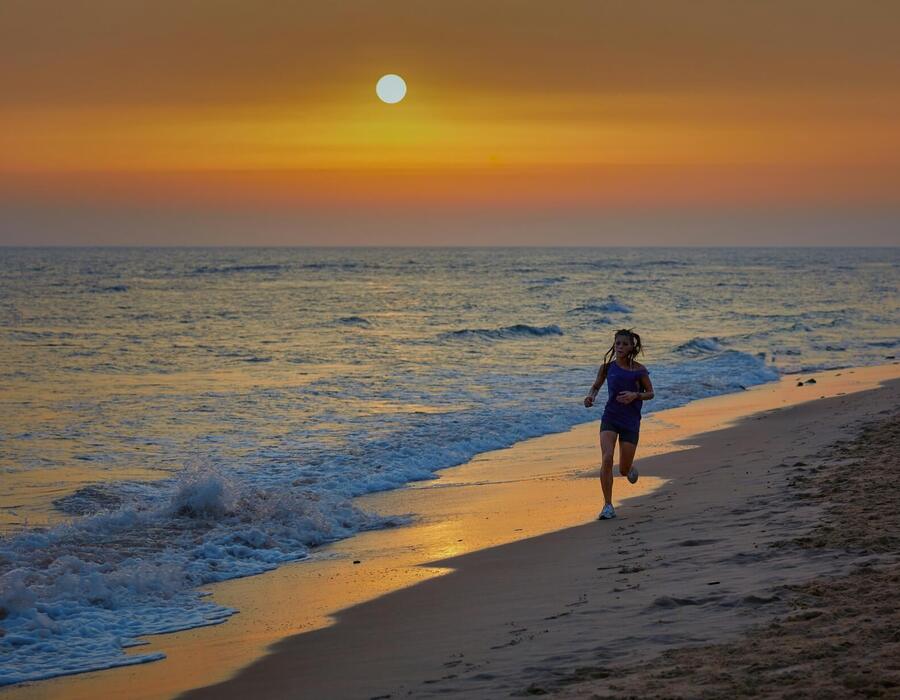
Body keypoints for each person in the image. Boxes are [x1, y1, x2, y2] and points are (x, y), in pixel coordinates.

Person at [583, 328, 655, 520]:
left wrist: (635, 395)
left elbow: (650, 393)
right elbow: (596, 385)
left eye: (624, 344)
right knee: (607, 458)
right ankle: (608, 505)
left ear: (632, 347)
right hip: (610, 417)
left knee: (623, 469)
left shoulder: (639, 370)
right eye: (617, 344)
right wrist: (590, 396)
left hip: (630, 422)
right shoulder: (607, 368)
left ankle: (629, 468)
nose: (620, 347)